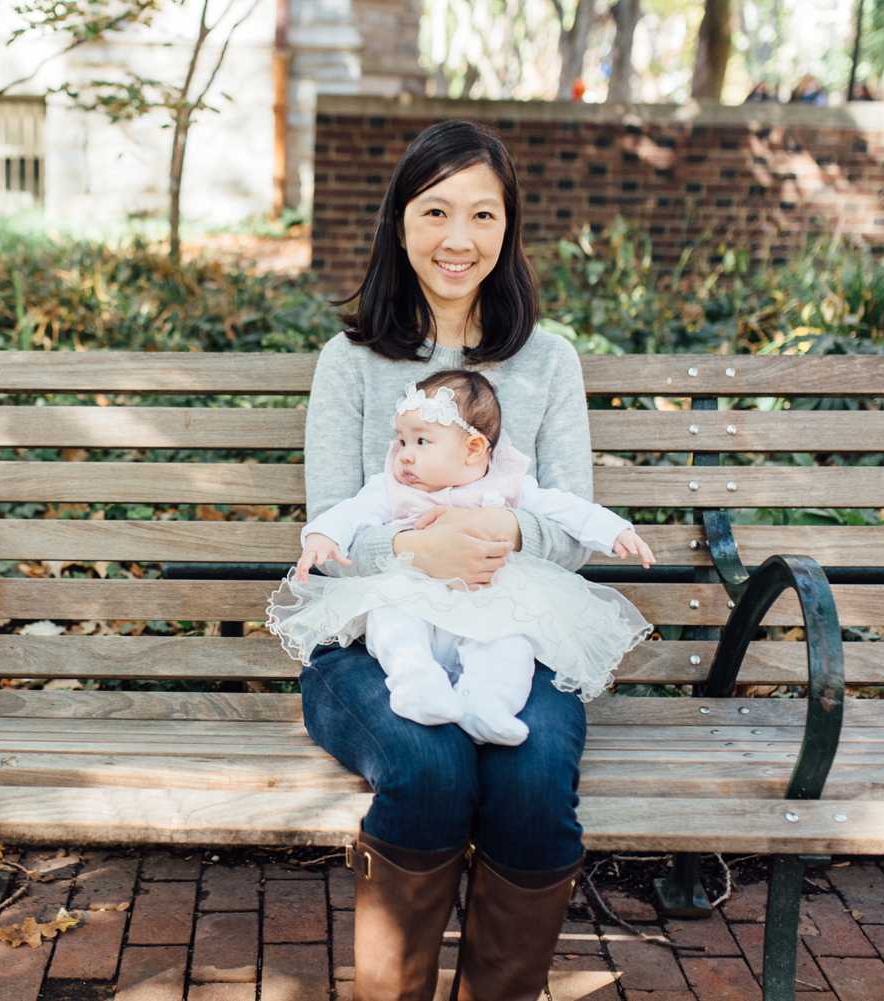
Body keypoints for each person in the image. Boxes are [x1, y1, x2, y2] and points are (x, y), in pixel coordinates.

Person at [296, 118, 607, 1001]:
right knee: (431, 766)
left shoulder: (548, 363)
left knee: (534, 772)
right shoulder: (351, 362)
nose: (458, 239)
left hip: (512, 635)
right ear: (401, 222)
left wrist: (515, 535)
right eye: (436, 212)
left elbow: (575, 533)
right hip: (371, 646)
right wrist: (412, 546)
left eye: (483, 215)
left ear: (509, 230)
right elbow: (330, 530)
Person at [267, 369, 654, 746]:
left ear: (473, 449)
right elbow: (348, 513)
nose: (404, 456)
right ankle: (416, 682)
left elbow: (565, 509)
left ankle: (487, 704)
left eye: (421, 442)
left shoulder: (507, 485)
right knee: (392, 621)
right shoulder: (390, 490)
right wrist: (321, 536)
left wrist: (614, 531)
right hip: (412, 596)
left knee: (509, 640)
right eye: (401, 441)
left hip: (486, 597)